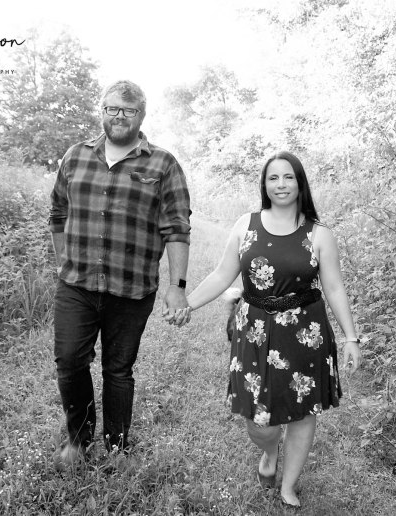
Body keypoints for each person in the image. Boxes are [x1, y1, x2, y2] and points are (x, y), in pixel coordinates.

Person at [181, 151, 361, 508]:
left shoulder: (319, 234)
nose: (281, 184)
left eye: (288, 177)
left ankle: (288, 485)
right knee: (258, 420)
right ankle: (268, 455)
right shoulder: (246, 225)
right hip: (254, 330)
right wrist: (188, 303)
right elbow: (222, 274)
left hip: (305, 332)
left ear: (300, 183)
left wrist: (351, 338)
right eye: (273, 178)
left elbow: (335, 288)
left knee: (302, 411)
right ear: (264, 184)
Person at [48, 80, 192, 467]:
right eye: (112, 108)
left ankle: (116, 447)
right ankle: (78, 440)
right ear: (102, 111)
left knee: (118, 369)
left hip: (131, 289)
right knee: (69, 360)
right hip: (76, 284)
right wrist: (64, 262)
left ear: (141, 116)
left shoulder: (162, 164)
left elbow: (177, 229)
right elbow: (58, 214)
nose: (119, 117)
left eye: (127, 111)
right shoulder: (75, 157)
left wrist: (177, 288)